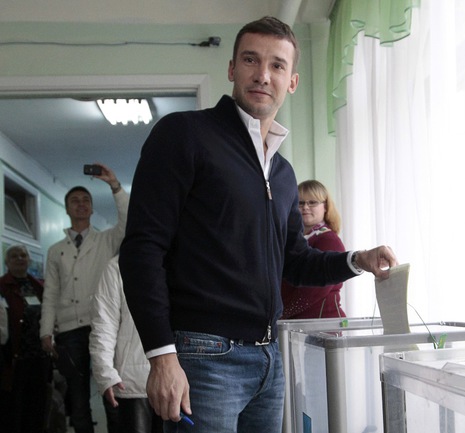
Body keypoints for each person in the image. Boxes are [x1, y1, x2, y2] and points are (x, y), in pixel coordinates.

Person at [118, 16, 398, 433]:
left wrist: (358, 260)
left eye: (277, 65)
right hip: (203, 357)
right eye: (251, 60)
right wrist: (162, 355)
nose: (263, 75)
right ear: (232, 68)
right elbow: (142, 248)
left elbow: (296, 261)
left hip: (270, 360)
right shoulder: (184, 134)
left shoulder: (281, 172)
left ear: (292, 81)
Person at [40, 163, 129, 433]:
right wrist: (46, 331)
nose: (81, 204)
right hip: (69, 330)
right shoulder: (56, 250)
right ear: (67, 209)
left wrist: (115, 186)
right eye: (75, 201)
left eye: (86, 201)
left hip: (103, 327)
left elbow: (128, 220)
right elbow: (50, 292)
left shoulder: (107, 240)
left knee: (111, 392)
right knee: (78, 399)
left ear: (91, 208)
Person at [89, 256, 163, 433]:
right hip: (133, 383)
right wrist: (105, 373)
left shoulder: (181, 259)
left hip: (178, 382)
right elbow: (104, 325)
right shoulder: (117, 266)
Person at [0, 244, 51, 433]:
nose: (20, 259)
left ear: (29, 260)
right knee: (13, 408)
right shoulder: (2, 286)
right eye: (14, 256)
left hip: (39, 358)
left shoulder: (39, 287)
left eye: (23, 255)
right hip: (13, 359)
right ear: (7, 262)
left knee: (37, 407)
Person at [281, 180, 348, 319]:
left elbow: (311, 293)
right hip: (297, 324)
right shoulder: (294, 240)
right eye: (300, 203)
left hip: (322, 325)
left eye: (312, 202)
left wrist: (279, 314)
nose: (305, 207)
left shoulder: (329, 240)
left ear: (325, 207)